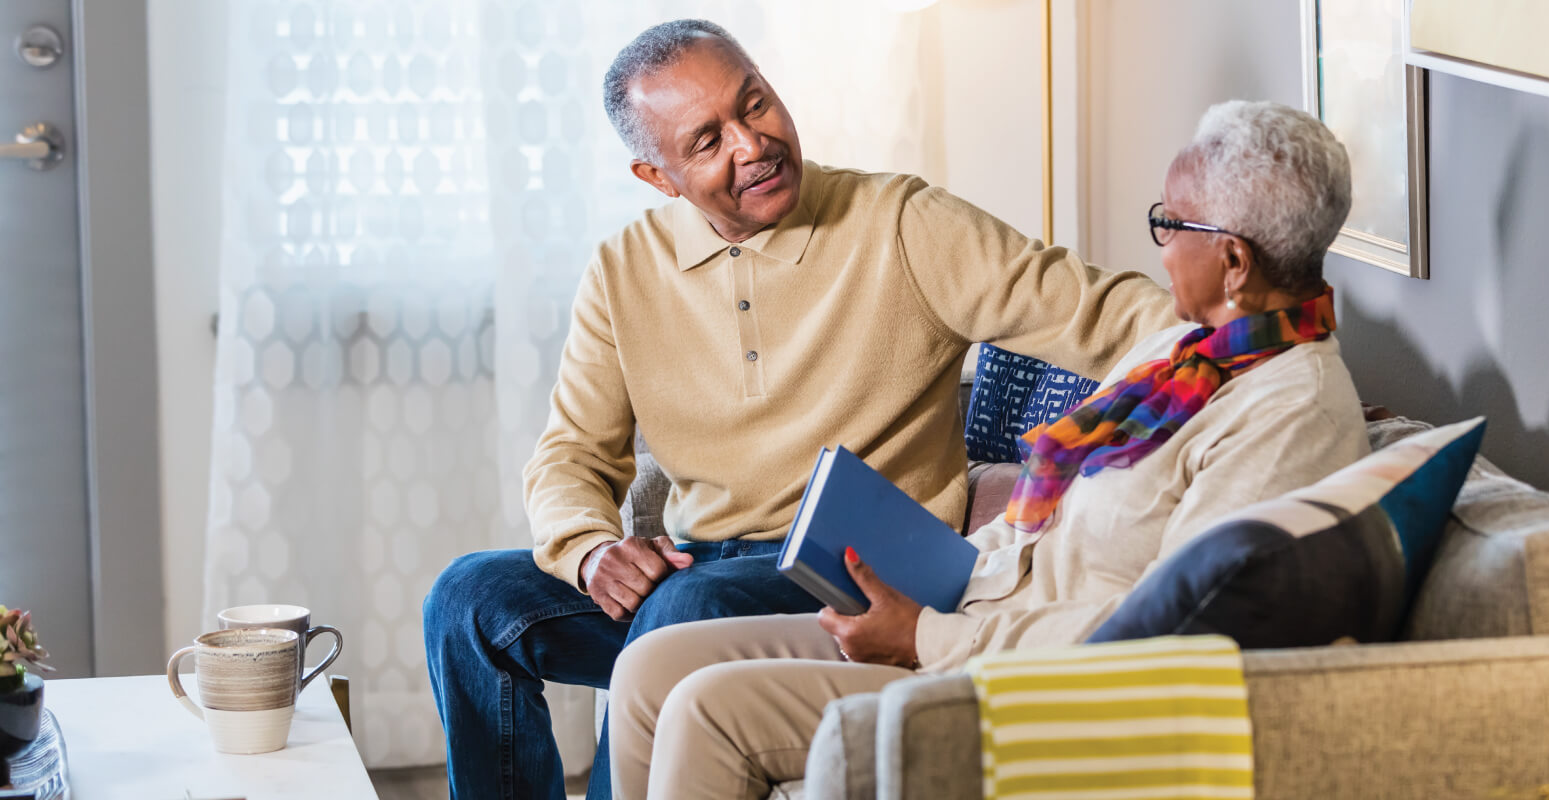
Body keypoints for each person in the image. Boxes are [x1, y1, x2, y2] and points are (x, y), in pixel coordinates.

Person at [421, 18, 1176, 800]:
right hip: (704, 561)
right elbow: (571, 452)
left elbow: (1100, 312)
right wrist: (586, 550)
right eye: (708, 141)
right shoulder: (623, 270)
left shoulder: (900, 222)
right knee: (471, 598)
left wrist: (1239, 334)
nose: (752, 144)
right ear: (658, 176)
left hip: (862, 567)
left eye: (756, 104)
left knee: (687, 605)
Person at [602, 99, 1371, 799]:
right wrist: (927, 582)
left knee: (710, 707)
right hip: (970, 609)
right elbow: (1044, 520)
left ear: (1233, 261)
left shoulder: (1289, 415)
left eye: (1170, 225)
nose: (1161, 246)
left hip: (1035, 684)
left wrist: (924, 638)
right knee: (649, 668)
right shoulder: (1185, 352)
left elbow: (1172, 636)